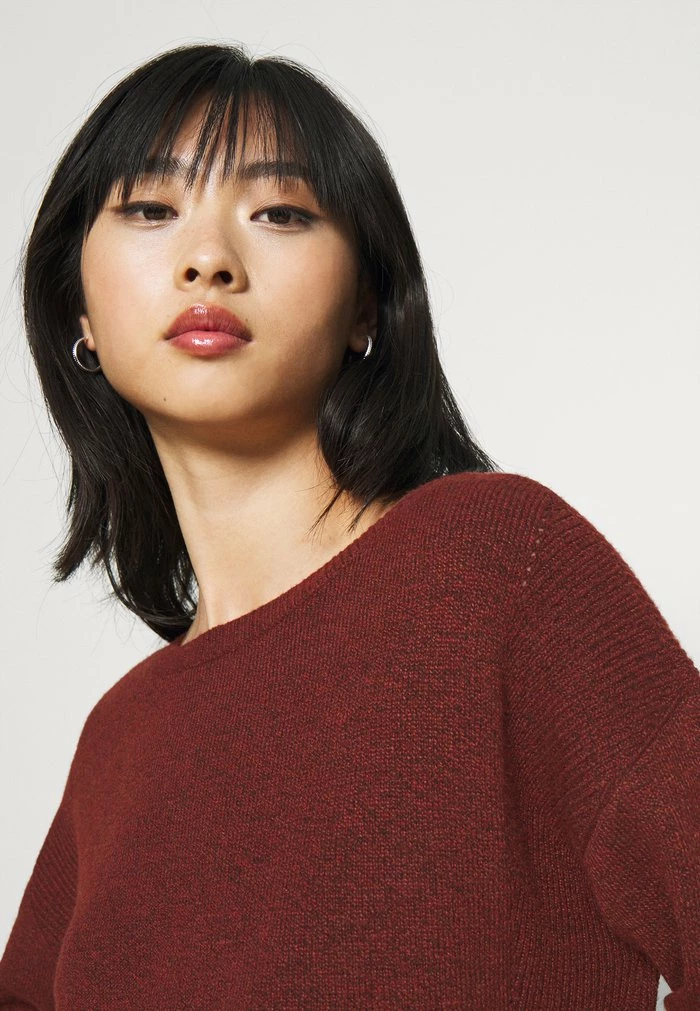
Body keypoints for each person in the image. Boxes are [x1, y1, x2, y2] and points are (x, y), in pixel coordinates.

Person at [0, 42, 697, 1011]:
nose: (208, 259)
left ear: (366, 304)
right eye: (151, 209)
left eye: (280, 213)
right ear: (77, 308)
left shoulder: (497, 567)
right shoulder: (116, 745)